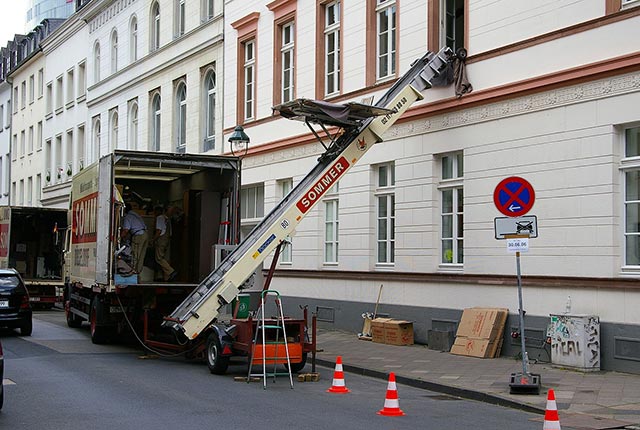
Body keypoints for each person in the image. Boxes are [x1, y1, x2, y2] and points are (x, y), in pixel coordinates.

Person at [121, 203, 149, 274]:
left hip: (138, 236)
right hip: (145, 234)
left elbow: (126, 230)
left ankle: (132, 271)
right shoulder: (136, 215)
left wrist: (119, 238)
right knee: (141, 255)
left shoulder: (128, 217)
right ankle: (138, 272)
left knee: (135, 254)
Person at [153, 205, 177, 281]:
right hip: (167, 240)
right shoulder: (167, 219)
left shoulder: (160, 218)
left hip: (161, 240)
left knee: (159, 258)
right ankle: (166, 277)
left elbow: (159, 231)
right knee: (165, 259)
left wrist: (153, 240)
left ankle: (171, 271)